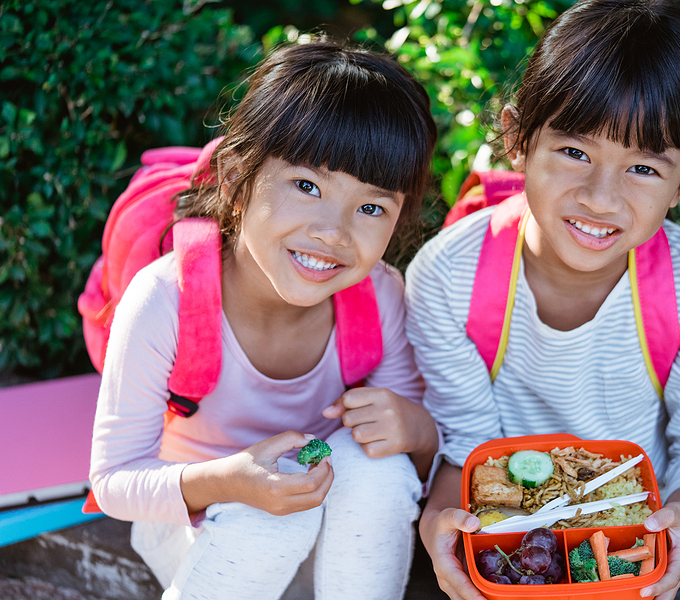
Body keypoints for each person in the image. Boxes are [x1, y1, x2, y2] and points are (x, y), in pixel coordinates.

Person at [404, 1, 680, 598]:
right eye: (575, 153)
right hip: (508, 545)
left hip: (636, 543)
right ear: (518, 139)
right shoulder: (448, 276)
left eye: (643, 168)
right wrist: (440, 522)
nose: (601, 198)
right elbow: (467, 445)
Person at [89, 39, 439, 600]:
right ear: (234, 179)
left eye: (371, 207)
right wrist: (232, 482)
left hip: (333, 546)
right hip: (201, 538)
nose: (334, 232)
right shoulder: (164, 300)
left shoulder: (379, 297)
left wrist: (419, 432)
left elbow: (407, 464)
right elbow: (112, 483)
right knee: (271, 515)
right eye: (307, 186)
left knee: (378, 467)